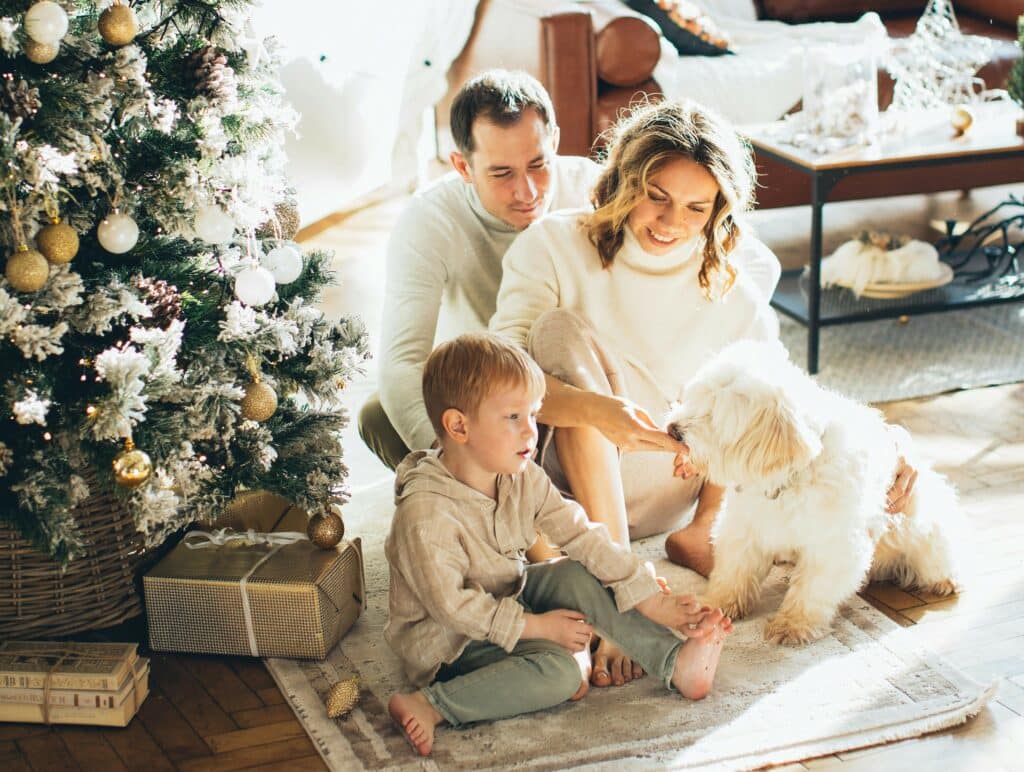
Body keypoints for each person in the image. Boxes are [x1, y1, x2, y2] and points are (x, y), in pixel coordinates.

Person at [490, 97, 917, 685]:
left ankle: (703, 531)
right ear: (621, 179)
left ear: (719, 209)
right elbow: (496, 384)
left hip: (680, 478)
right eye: (657, 196)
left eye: (696, 207)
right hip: (571, 481)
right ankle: (623, 585)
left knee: (741, 387)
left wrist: (887, 439)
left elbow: (786, 400)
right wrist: (595, 410)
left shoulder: (734, 280)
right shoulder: (552, 245)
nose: (671, 222)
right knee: (552, 331)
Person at [360, 69, 781, 473]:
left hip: (580, 376)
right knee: (379, 415)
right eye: (502, 173)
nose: (526, 191)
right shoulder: (429, 220)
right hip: (489, 382)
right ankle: (464, 498)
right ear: (462, 166)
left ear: (555, 142)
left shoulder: (597, 187)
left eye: (539, 164)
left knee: (561, 341)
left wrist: (689, 338)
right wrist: (455, 463)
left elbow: (754, 262)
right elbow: (402, 361)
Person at [384, 333, 733, 757]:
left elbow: (581, 534)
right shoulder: (426, 513)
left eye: (533, 414)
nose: (530, 431)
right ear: (459, 426)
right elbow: (453, 608)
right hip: (449, 641)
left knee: (574, 570)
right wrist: (539, 628)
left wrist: (647, 598)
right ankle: (432, 705)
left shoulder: (519, 474)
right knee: (560, 674)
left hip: (507, 592)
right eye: (514, 416)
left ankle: (675, 663)